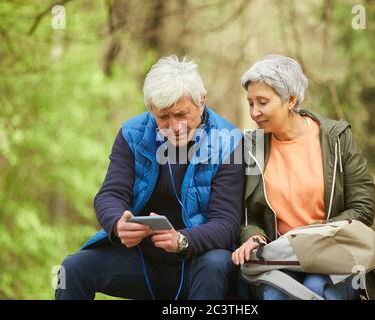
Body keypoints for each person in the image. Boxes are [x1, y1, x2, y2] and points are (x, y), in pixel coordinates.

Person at [55, 55, 244, 300]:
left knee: (215, 263)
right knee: (72, 269)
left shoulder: (229, 141)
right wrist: (117, 224)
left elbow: (226, 223)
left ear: (201, 101)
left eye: (181, 114)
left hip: (198, 260)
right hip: (142, 260)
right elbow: (110, 195)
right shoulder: (132, 133)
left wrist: (182, 240)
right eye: (163, 117)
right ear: (151, 110)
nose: (174, 127)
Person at [232, 55, 375, 300]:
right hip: (279, 259)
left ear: (291, 100)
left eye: (263, 102)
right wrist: (253, 237)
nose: (254, 112)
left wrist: (310, 237)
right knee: (275, 296)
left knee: (317, 290)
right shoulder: (250, 147)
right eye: (251, 103)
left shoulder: (337, 139)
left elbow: (363, 208)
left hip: (332, 253)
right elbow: (247, 215)